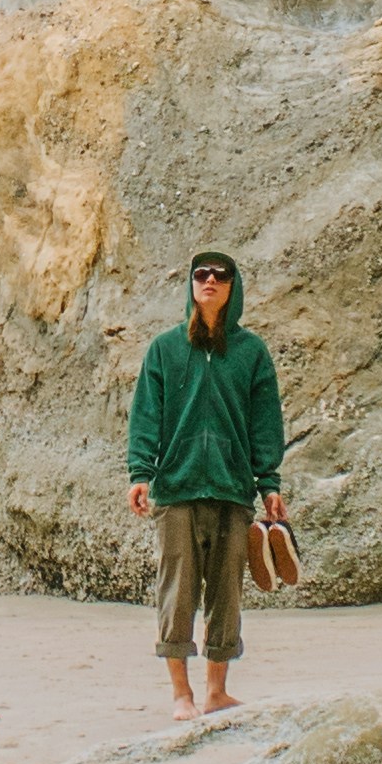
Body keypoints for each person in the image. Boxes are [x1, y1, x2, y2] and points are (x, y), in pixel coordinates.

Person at [126, 251, 288, 719]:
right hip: (175, 488)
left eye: (220, 275)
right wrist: (140, 473)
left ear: (233, 286)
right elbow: (145, 416)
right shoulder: (164, 348)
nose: (210, 281)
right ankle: (182, 695)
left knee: (226, 593)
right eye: (201, 274)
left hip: (233, 489)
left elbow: (265, 423)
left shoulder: (251, 352)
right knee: (176, 592)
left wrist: (269, 483)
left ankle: (216, 692)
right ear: (191, 286)